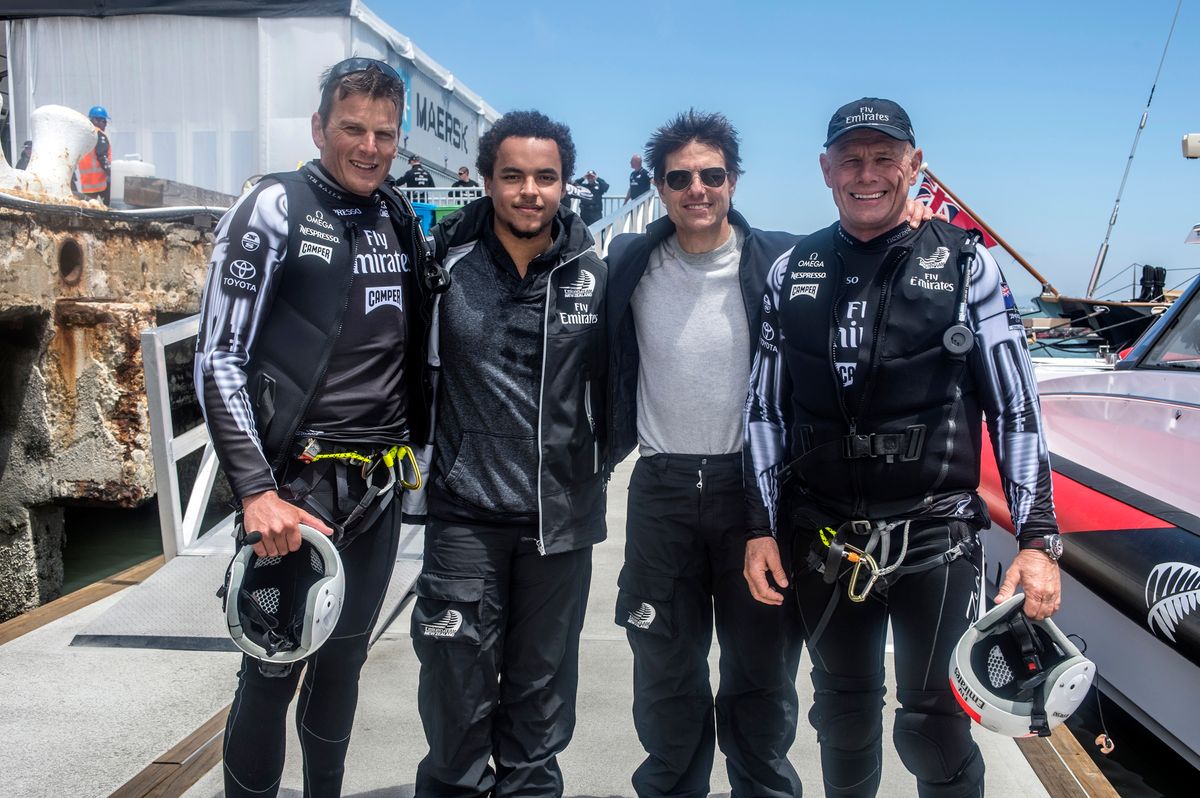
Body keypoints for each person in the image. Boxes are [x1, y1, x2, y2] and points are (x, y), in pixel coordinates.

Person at [744, 97, 1062, 798]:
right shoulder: (790, 269)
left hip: (935, 537)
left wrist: (1038, 539)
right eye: (851, 158)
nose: (868, 173)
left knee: (932, 727)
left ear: (914, 167)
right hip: (824, 537)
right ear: (825, 169)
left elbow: (1015, 406)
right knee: (843, 719)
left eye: (884, 157)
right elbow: (763, 410)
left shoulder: (966, 266)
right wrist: (760, 527)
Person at [194, 58, 437, 798]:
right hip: (296, 487)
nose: (368, 146)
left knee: (344, 663)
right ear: (318, 127)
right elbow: (218, 358)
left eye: (384, 134)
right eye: (352, 129)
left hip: (378, 487)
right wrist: (255, 492)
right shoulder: (273, 206)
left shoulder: (397, 214)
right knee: (272, 670)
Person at [410, 109, 607, 797]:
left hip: (560, 519)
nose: (531, 191)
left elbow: (625, 388)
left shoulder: (595, 271)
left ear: (566, 184)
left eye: (546, 177)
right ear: (487, 181)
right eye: (514, 175)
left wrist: (592, 466)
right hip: (465, 514)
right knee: (454, 691)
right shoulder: (442, 264)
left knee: (541, 700)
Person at [606, 110, 803, 798]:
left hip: (751, 496)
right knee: (663, 674)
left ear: (734, 181)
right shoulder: (629, 264)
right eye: (680, 177)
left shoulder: (782, 263)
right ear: (659, 188)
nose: (698, 189)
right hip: (660, 490)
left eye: (712, 175)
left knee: (762, 675)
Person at [77, 106, 112, 205]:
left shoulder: (84, 136)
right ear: (96, 121)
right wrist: (111, 173)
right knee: (108, 210)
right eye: (104, 121)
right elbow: (102, 157)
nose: (105, 125)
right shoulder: (99, 135)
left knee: (90, 210)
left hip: (87, 185)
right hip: (101, 183)